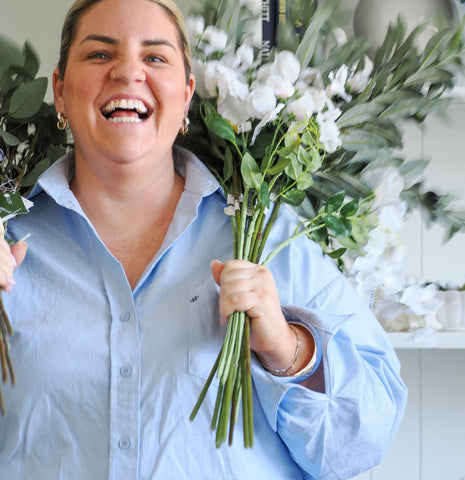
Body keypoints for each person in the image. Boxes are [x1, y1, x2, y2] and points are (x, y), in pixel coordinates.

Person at [0, 0, 407, 478]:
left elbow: (363, 442)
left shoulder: (268, 238)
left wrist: (286, 349)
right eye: (99, 55)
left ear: (187, 96)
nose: (128, 72)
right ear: (61, 92)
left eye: (155, 57)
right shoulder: (9, 241)